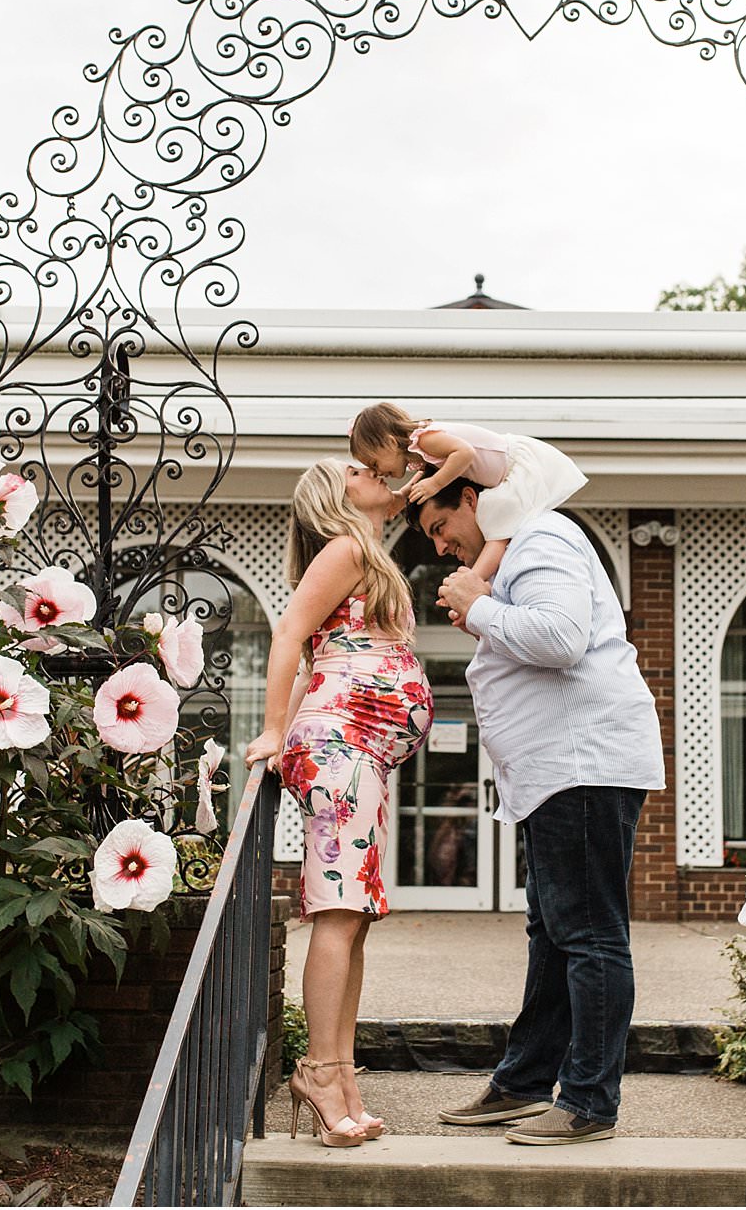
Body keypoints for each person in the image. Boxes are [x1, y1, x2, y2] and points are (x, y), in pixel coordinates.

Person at [410, 477, 664, 1146]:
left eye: (440, 527)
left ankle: (589, 1100)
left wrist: (481, 606)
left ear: (471, 499)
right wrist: (485, 601)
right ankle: (524, 1083)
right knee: (553, 933)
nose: (441, 547)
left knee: (589, 934)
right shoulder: (515, 553)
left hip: (584, 763)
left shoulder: (541, 535)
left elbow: (561, 637)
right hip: (555, 771)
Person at [245, 458, 434, 1146]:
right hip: (343, 747)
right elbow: (289, 635)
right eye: (355, 467)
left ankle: (340, 1073)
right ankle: (320, 1072)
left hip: (362, 753)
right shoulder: (346, 546)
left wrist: (286, 732)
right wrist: (272, 732)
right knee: (337, 911)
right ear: (336, 494)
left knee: (355, 916)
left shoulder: (368, 551)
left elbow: (321, 654)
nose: (372, 470)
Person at [349, 402, 586, 585]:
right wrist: (402, 495)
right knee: (497, 523)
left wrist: (436, 484)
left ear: (390, 443)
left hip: (514, 468)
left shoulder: (426, 439)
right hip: (502, 475)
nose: (378, 472)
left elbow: (464, 453)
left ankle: (474, 580)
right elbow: (428, 472)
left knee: (497, 528)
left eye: (374, 463)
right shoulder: (419, 453)